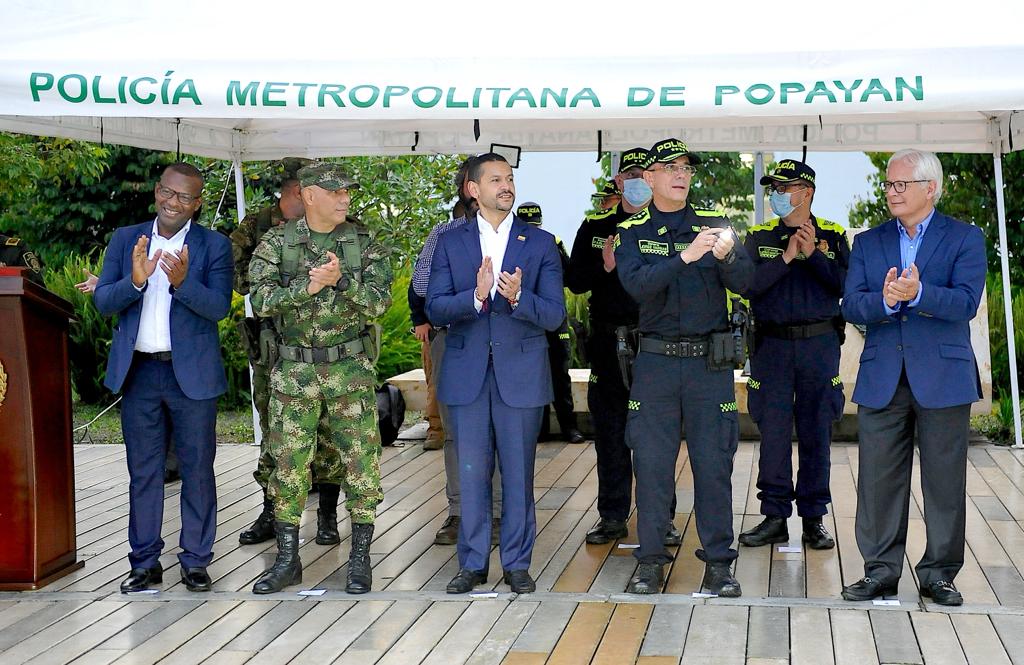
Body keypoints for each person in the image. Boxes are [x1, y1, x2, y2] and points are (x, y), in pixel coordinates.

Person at [841, 149, 986, 606]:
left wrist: (919, 292)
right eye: (888, 184)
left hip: (943, 376)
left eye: (901, 184)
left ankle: (939, 573)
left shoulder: (965, 238)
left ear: (931, 188)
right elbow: (850, 305)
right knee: (878, 482)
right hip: (883, 375)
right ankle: (880, 572)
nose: (892, 192)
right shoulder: (868, 242)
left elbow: (965, 302)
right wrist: (885, 301)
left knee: (944, 482)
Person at [615, 138, 753, 596]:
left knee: (713, 465)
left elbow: (749, 283)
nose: (680, 174)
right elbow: (637, 286)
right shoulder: (632, 232)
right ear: (648, 178)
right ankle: (650, 561)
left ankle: (719, 564)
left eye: (686, 168)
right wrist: (686, 257)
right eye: (668, 167)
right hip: (654, 363)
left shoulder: (716, 227)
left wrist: (726, 256)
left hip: (706, 366)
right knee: (652, 466)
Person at [248, 162, 392, 595]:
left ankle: (360, 559)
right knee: (288, 466)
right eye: (335, 191)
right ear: (309, 196)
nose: (345, 197)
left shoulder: (365, 242)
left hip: (350, 371)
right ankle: (288, 560)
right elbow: (260, 299)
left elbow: (380, 304)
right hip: (294, 372)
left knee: (361, 463)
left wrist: (341, 281)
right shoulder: (277, 242)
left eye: (348, 190)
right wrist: (306, 290)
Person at [426, 153, 566, 594]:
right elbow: (434, 307)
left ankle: (517, 564)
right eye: (496, 179)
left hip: (520, 375)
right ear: (473, 189)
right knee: (470, 473)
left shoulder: (540, 243)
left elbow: (555, 315)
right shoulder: (450, 242)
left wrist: (519, 297)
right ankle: (471, 564)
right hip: (467, 374)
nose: (507, 186)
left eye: (510, 179)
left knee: (520, 474)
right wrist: (476, 295)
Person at [94, 163, 233, 593]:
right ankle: (144, 563)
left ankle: (195, 561)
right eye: (167, 193)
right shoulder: (125, 239)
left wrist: (182, 282)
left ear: (198, 203)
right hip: (140, 373)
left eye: (184, 197)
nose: (173, 203)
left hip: (190, 376)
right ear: (157, 191)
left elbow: (219, 308)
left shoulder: (214, 246)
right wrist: (135, 282)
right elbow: (103, 301)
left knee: (197, 469)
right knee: (145, 472)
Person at [567, 147, 680, 546]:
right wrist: (605, 264)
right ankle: (612, 516)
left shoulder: (668, 225)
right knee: (611, 433)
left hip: (654, 340)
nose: (634, 182)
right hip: (607, 342)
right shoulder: (596, 226)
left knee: (656, 435)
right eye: (627, 175)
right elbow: (576, 281)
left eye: (641, 174)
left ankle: (662, 518)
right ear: (617, 182)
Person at [738, 160, 849, 551]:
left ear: (807, 192)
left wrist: (812, 255)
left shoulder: (832, 235)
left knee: (818, 429)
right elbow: (748, 286)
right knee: (772, 430)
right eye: (774, 188)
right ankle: (773, 515)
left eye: (786, 188)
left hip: (819, 345)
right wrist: (786, 258)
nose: (777, 195)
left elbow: (844, 287)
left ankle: (814, 518)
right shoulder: (758, 236)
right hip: (772, 347)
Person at [228, 159, 326, 548]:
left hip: (320, 343)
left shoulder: (329, 224)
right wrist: (284, 264)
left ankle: (328, 515)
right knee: (274, 431)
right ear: (294, 195)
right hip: (272, 349)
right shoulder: (254, 228)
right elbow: (238, 280)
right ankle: (271, 511)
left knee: (328, 431)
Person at [411, 157, 502, 547]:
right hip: (455, 340)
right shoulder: (443, 234)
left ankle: (499, 515)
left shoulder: (517, 234)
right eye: (488, 179)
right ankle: (460, 513)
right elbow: (421, 285)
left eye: (505, 179)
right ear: (470, 188)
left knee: (503, 430)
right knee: (458, 433)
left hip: (504, 343)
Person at [516, 201, 585, 444]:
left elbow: (571, 277)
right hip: (527, 320)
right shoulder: (511, 245)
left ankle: (569, 428)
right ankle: (540, 430)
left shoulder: (552, 242)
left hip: (554, 320)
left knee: (559, 376)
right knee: (534, 378)